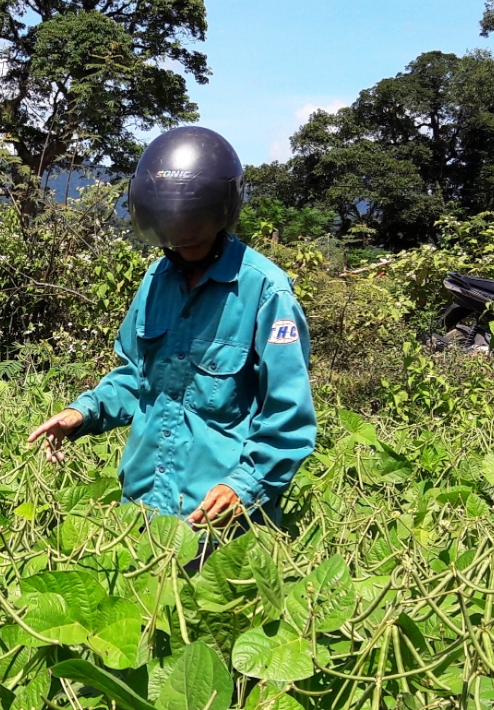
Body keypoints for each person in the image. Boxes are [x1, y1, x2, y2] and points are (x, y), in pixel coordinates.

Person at [27, 126, 316, 529]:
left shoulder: (266, 292)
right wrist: (82, 413)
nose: (182, 250)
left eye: (193, 239)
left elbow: (289, 415)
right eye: (172, 240)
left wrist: (245, 485)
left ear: (220, 215)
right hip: (143, 508)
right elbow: (134, 377)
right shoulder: (156, 280)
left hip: (220, 521)